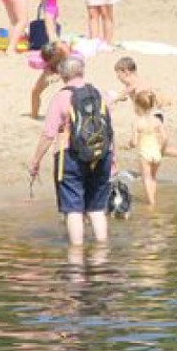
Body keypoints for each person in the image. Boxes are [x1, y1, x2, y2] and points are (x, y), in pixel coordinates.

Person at [29, 57, 114, 244]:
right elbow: (108, 128)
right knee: (97, 209)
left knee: (73, 209)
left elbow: (48, 134)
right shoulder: (100, 93)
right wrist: (112, 159)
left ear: (61, 75)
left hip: (70, 156)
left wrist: (35, 161)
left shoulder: (61, 97)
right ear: (82, 71)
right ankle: (102, 254)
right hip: (102, 154)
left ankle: (76, 256)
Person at [112, 57, 177, 173]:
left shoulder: (136, 85)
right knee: (154, 147)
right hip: (153, 114)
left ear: (126, 72)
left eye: (118, 74)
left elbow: (131, 91)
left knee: (153, 147)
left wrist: (115, 99)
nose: (118, 78)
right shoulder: (137, 83)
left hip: (152, 116)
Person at [126, 89, 166, 207]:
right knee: (153, 177)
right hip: (156, 153)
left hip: (145, 154)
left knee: (146, 178)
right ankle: (152, 198)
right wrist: (161, 149)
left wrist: (128, 145)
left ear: (137, 106)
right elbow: (165, 137)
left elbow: (134, 142)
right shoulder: (157, 120)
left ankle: (151, 202)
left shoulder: (137, 122)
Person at [31, 40, 74, 119]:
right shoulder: (47, 55)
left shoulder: (64, 50)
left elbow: (69, 67)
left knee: (73, 92)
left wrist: (59, 75)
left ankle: (73, 116)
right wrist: (49, 72)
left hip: (67, 64)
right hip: (52, 65)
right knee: (35, 91)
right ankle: (34, 116)